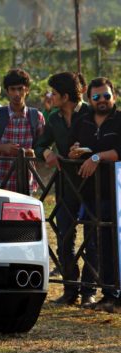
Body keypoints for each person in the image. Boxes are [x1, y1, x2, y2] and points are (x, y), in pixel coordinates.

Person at [34, 72, 91, 303]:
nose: (51, 96)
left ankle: (88, 292)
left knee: (92, 239)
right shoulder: (55, 118)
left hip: (92, 185)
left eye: (54, 93)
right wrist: (47, 152)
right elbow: (39, 144)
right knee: (64, 236)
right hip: (65, 185)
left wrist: (87, 151)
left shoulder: (90, 113)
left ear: (65, 96)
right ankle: (70, 290)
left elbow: (103, 143)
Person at [68, 77, 121, 313]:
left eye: (106, 96)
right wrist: (74, 151)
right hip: (90, 194)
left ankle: (114, 295)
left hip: (116, 192)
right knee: (94, 244)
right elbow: (72, 147)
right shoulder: (82, 122)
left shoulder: (119, 120)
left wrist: (97, 157)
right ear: (89, 98)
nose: (102, 101)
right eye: (96, 97)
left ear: (114, 96)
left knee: (115, 244)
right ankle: (104, 294)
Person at [0, 68, 45, 192]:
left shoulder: (37, 117)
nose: (17, 94)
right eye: (13, 89)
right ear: (7, 91)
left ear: (27, 90)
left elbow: (42, 149)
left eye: (20, 89)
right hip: (0, 182)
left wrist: (32, 152)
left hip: (27, 182)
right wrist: (3, 148)